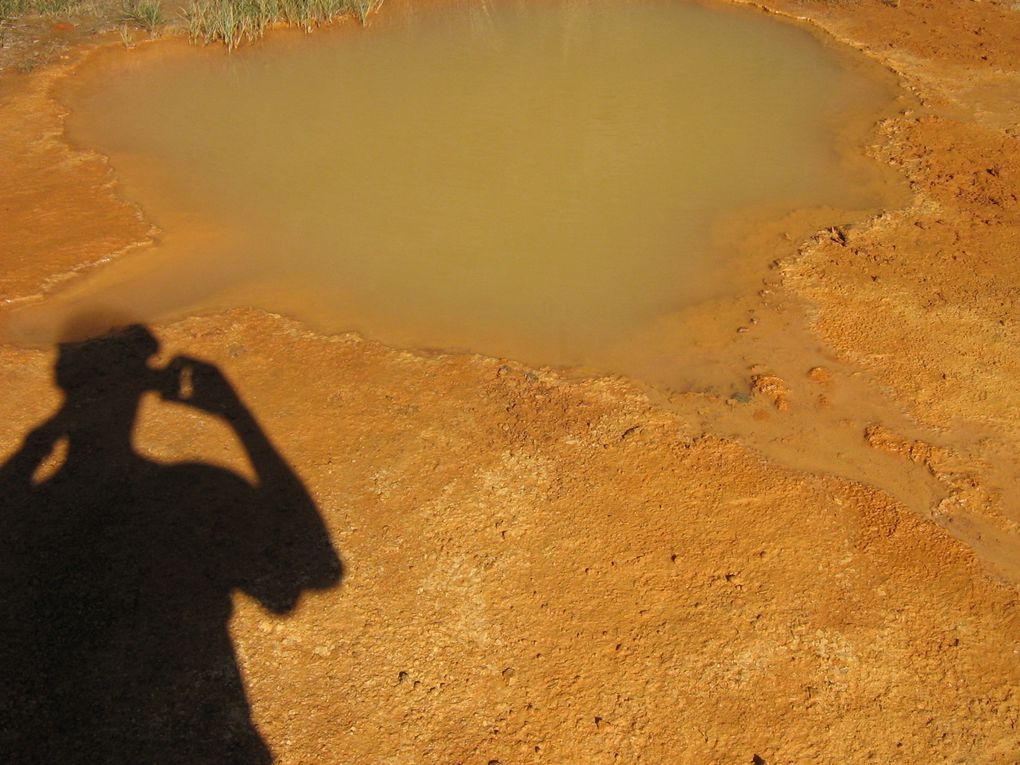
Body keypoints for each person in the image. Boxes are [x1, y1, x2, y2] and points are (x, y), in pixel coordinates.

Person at [0, 322, 341, 764]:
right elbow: (314, 570)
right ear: (143, 387)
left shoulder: (29, 514)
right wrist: (237, 416)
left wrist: (36, 446)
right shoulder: (191, 492)